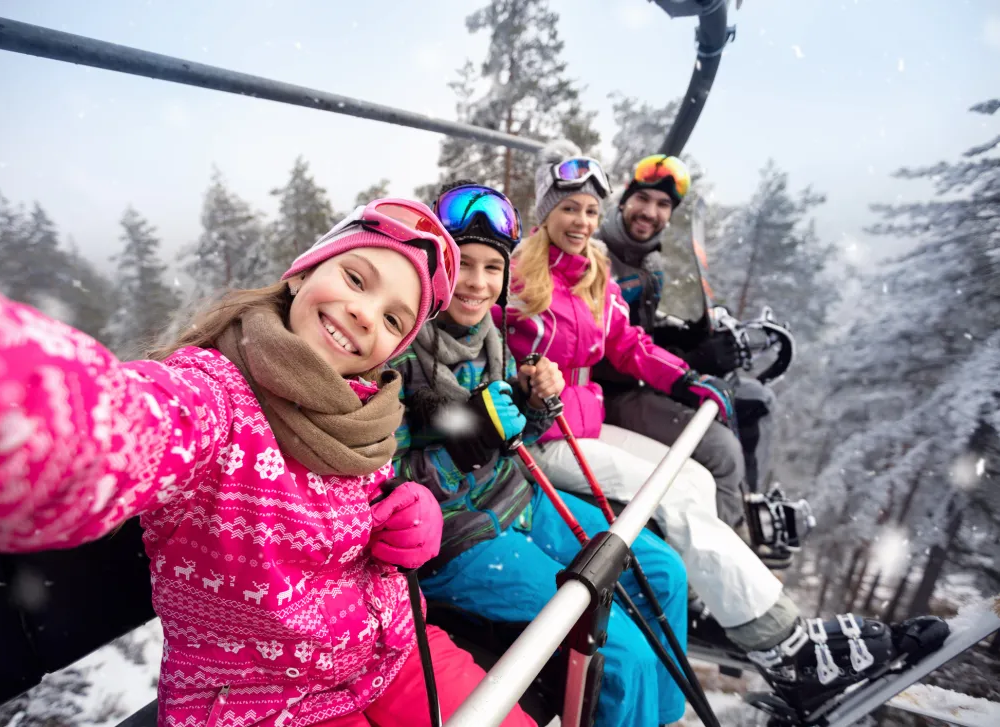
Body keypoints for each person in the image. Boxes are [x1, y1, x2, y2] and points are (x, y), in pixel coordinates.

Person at [0, 199, 535, 727]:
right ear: (303, 272)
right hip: (266, 702)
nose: (365, 313)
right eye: (355, 279)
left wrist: (408, 509)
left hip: (396, 649)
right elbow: (113, 431)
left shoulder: (365, 409)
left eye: (394, 318)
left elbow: (369, 498)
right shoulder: (213, 396)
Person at [501, 143, 942, 700]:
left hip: (582, 423)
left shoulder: (594, 274)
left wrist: (684, 377)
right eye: (569, 209)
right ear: (546, 211)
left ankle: (740, 598)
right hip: (542, 434)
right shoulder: (517, 274)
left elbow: (627, 343)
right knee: (673, 495)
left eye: (590, 211)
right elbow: (481, 338)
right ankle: (783, 643)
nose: (582, 222)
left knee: (696, 478)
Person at [388, 180, 689, 726]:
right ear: (436, 266)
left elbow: (512, 438)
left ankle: (659, 717)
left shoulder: (490, 334)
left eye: (492, 268)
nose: (477, 284)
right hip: (459, 536)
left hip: (519, 500)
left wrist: (533, 404)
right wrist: (463, 447)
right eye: (464, 265)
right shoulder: (400, 349)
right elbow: (384, 482)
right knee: (624, 653)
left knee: (664, 571)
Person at [594, 152, 775, 530]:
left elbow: (640, 327)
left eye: (663, 205)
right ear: (624, 200)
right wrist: (693, 359)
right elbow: (606, 350)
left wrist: (688, 333)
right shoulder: (600, 260)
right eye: (642, 199)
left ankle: (744, 509)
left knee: (749, 402)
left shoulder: (647, 263)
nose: (650, 212)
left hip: (636, 379)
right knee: (723, 452)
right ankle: (721, 546)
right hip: (609, 391)